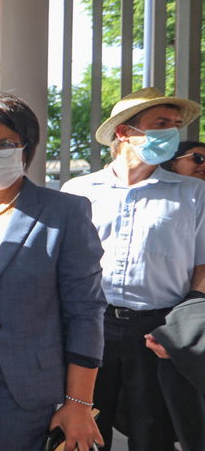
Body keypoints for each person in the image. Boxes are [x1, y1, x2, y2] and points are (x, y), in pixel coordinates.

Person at [0, 94, 106, 451]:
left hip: (25, 376)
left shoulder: (64, 212)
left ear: (27, 149)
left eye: (5, 144)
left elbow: (85, 312)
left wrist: (79, 402)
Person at [61, 86, 205, 451]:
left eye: (175, 124)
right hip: (92, 326)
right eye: (161, 123)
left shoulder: (192, 194)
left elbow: (202, 267)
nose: (172, 131)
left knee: (152, 431)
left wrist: (181, 328)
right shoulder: (79, 191)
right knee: (86, 427)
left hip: (158, 329)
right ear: (124, 132)